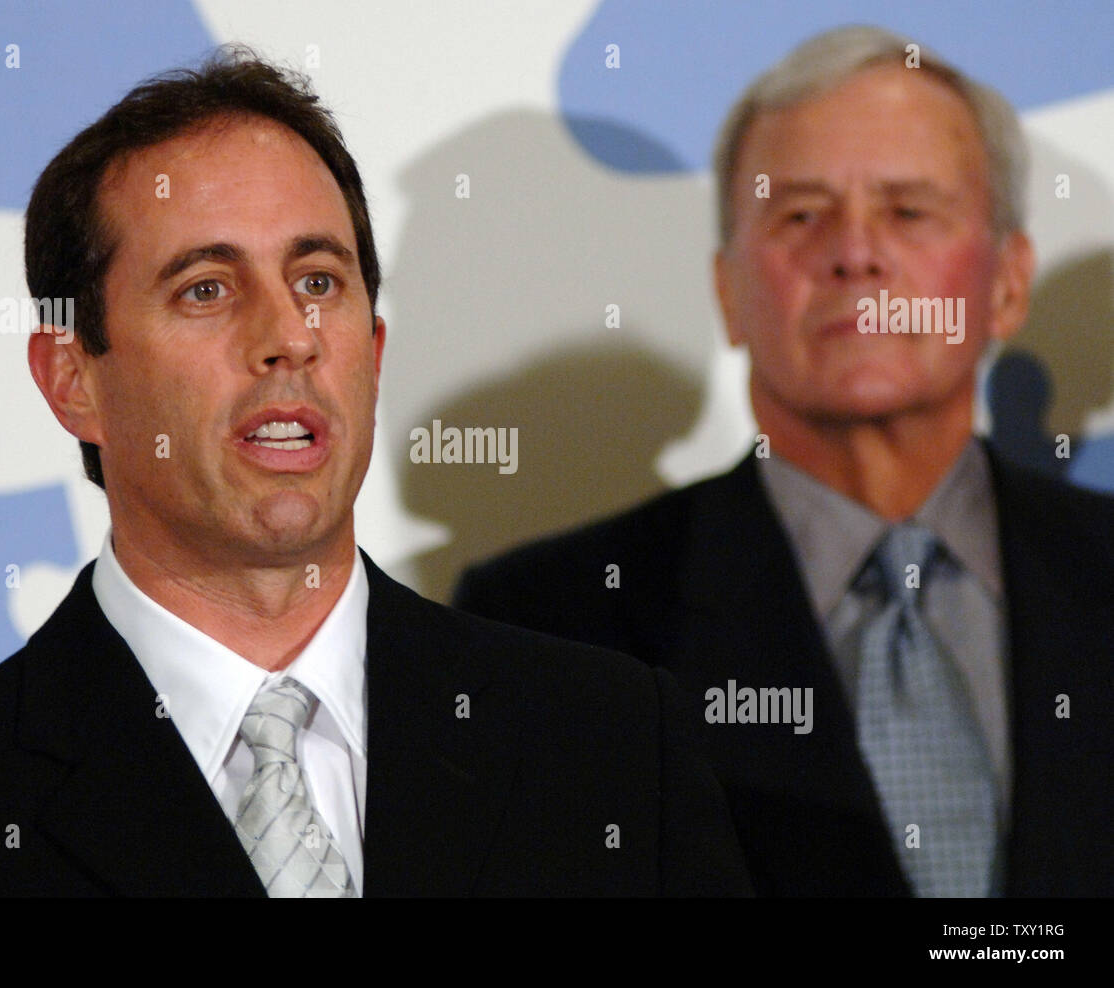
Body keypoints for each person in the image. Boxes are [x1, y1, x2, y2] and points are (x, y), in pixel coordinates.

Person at [0, 46, 750, 898]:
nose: (286, 339)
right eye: (205, 290)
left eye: (317, 282)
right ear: (72, 379)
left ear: (373, 351)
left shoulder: (613, 746)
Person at [455, 25, 1114, 897]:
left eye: (909, 210)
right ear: (729, 291)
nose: (853, 252)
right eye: (801, 214)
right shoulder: (546, 627)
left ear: (1007, 284)